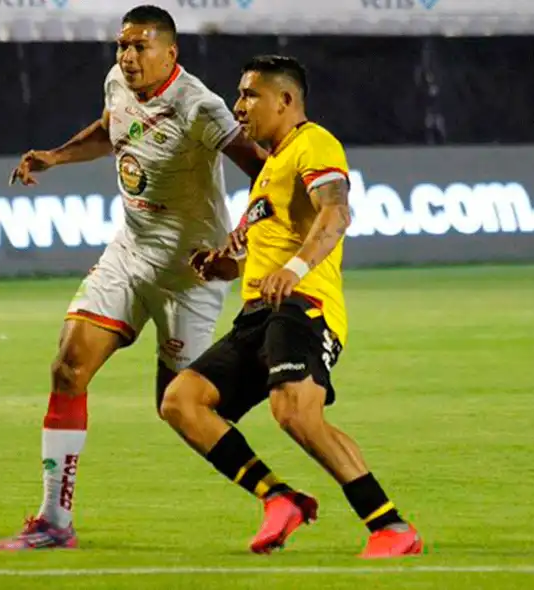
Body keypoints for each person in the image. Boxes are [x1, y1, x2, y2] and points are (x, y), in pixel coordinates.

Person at [0, 5, 266, 551]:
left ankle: (275, 491)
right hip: (129, 252)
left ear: (171, 53)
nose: (128, 56)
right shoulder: (118, 81)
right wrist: (56, 156)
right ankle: (54, 522)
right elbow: (111, 127)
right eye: (122, 45)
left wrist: (241, 238)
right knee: (68, 368)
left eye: (140, 46)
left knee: (183, 407)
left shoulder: (200, 107)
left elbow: (263, 170)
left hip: (190, 272)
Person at [160, 55, 423, 559]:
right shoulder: (269, 170)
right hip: (257, 315)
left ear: (285, 100)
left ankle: (390, 526)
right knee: (182, 401)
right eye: (238, 95)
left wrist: (296, 271)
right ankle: (280, 499)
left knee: (295, 413)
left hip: (304, 307)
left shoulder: (314, 144)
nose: (238, 106)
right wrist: (225, 267)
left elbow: (337, 211)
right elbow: (271, 249)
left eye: (249, 95)